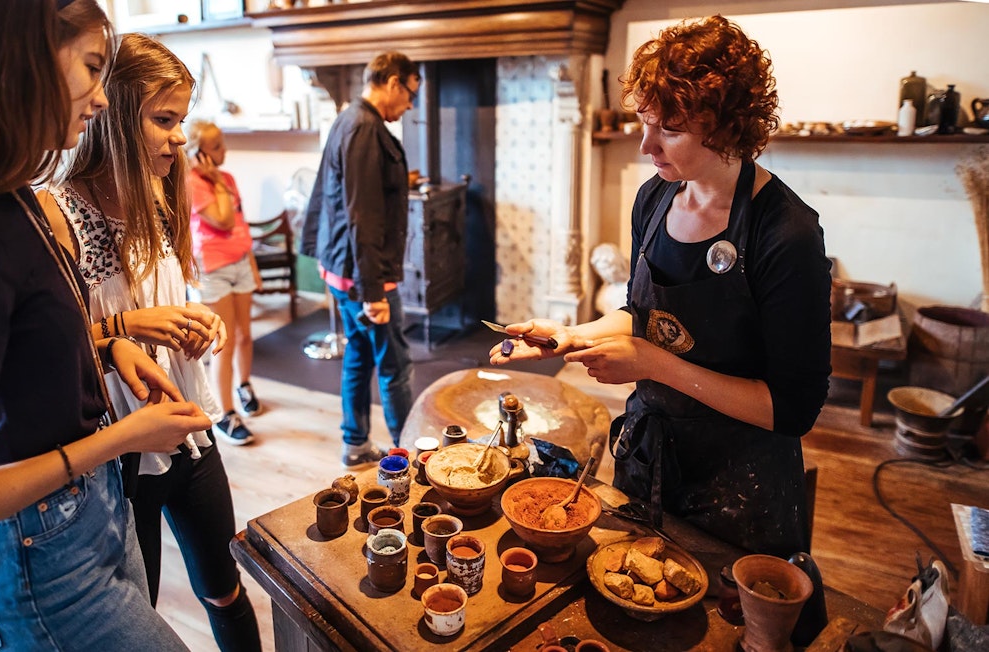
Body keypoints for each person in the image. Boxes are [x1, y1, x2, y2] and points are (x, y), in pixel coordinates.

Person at [491, 15, 831, 558]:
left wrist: (651, 363)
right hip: (650, 460)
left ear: (724, 127)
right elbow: (642, 314)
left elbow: (794, 409)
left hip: (740, 489)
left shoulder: (785, 233)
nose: (646, 144)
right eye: (645, 122)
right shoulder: (655, 198)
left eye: (668, 129)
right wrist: (568, 335)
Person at [0, 2, 211, 650]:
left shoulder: (20, 204)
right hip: (34, 551)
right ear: (24, 62)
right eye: (92, 69)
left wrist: (111, 343)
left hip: (92, 512)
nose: (99, 96)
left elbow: (14, 354)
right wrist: (117, 439)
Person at [38, 33, 261, 651]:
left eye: (182, 120)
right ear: (111, 117)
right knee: (144, 606)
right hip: (120, 452)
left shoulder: (159, 195)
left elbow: (164, 291)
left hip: (189, 429)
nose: (180, 137)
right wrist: (127, 328)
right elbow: (45, 349)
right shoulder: (58, 215)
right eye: (164, 120)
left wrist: (195, 319)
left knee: (225, 586)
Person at [300, 51, 420, 467]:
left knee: (359, 355)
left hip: (344, 269)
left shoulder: (348, 119)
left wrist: (324, 256)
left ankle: (355, 444)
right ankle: (407, 456)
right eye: (410, 94)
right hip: (366, 278)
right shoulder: (364, 128)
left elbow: (330, 195)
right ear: (392, 82)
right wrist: (373, 292)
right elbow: (362, 214)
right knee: (396, 366)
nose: (409, 104)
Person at [184, 119, 262, 446]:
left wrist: (253, 266)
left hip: (241, 262)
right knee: (225, 343)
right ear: (199, 152)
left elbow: (239, 224)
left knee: (245, 334)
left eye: (222, 143)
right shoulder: (192, 182)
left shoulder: (227, 178)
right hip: (213, 268)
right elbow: (224, 219)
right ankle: (225, 414)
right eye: (216, 146)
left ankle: (244, 385)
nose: (224, 150)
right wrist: (215, 181)